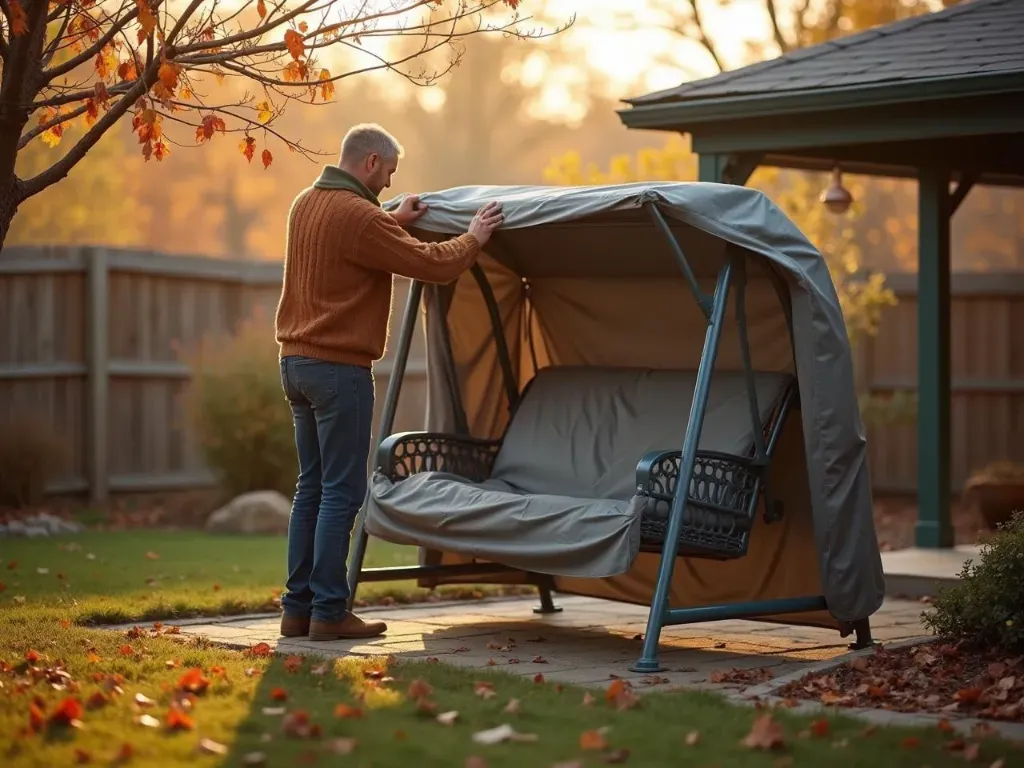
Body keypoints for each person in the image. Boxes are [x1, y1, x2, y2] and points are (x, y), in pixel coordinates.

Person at [274, 123, 504, 641]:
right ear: (372, 162)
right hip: (338, 370)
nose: (387, 185)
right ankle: (330, 613)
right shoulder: (358, 216)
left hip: (296, 364)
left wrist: (388, 219)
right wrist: (473, 238)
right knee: (341, 492)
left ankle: (297, 609)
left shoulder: (305, 203)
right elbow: (429, 263)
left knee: (309, 489)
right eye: (389, 174)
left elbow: (353, 241)